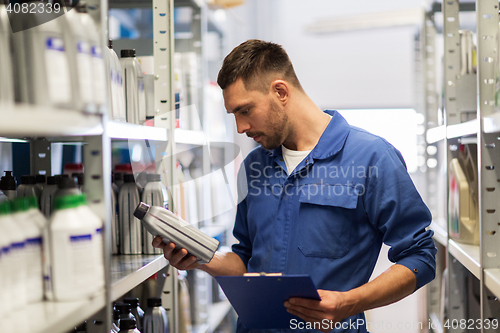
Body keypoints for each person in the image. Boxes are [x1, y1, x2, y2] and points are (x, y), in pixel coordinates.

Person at [152, 39, 436, 333]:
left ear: (280, 92)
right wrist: (202, 258)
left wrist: (350, 303)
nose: (240, 127)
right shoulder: (254, 167)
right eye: (233, 115)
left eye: (245, 110)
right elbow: (246, 261)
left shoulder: (372, 158)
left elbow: (421, 257)